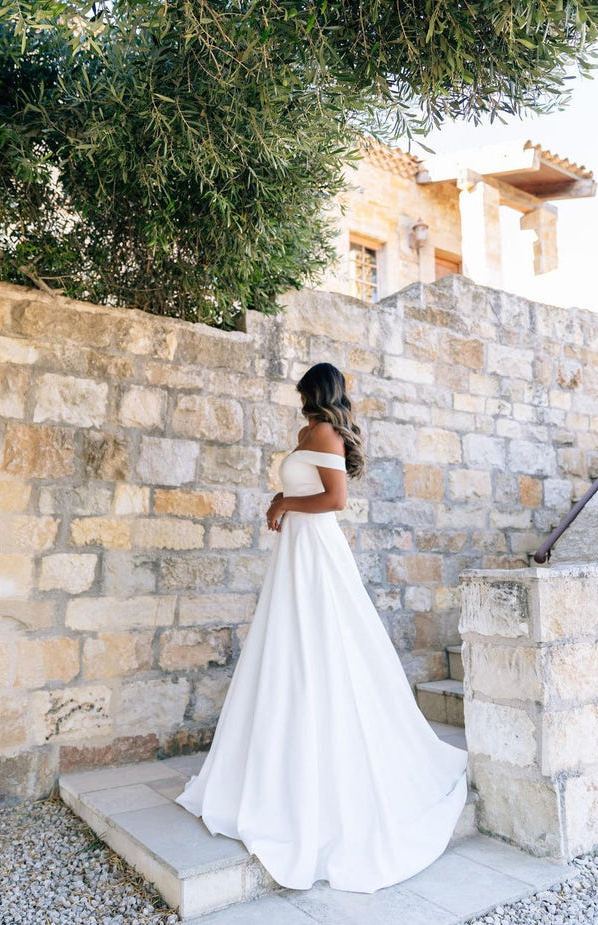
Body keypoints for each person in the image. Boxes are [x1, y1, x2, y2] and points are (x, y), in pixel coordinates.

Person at [175, 361, 468, 893]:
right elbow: (307, 486)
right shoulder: (308, 432)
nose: (298, 395)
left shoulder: (328, 432)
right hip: (295, 551)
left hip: (316, 551)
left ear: (317, 391)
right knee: (286, 650)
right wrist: (280, 501)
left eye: (304, 389)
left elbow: (336, 500)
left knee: (325, 648)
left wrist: (286, 500)